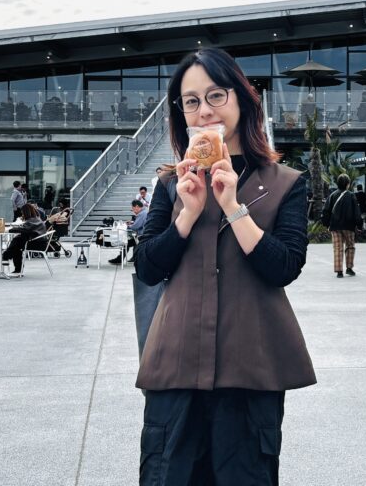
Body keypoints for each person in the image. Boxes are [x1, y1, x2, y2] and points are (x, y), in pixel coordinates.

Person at [134, 47, 315, 486]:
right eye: (191, 101)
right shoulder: (171, 183)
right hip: (176, 366)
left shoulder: (284, 182)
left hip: (252, 368)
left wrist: (234, 207)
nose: (204, 110)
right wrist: (188, 213)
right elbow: (147, 267)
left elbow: (285, 267)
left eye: (216, 95)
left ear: (242, 98)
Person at [322, 174, 361, 277]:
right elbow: (356, 212)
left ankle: (339, 271)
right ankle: (349, 268)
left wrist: (326, 224)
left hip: (335, 226)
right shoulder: (351, 195)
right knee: (350, 246)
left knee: (337, 247)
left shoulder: (332, 195)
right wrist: (359, 225)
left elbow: (326, 211)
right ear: (348, 184)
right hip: (349, 226)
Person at [2, 203, 46, 274]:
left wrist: (9, 230)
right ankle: (10, 261)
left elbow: (24, 229)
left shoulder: (31, 221)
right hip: (40, 242)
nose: (22, 214)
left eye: (22, 212)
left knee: (17, 241)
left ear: (26, 212)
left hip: (36, 244)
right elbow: (25, 229)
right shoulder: (36, 219)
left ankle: (5, 256)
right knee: (17, 242)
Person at [108, 199, 148, 265]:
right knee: (128, 242)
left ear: (137, 206)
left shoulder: (142, 214)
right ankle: (124, 259)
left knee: (126, 242)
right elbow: (139, 224)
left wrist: (126, 226)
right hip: (142, 235)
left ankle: (120, 259)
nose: (133, 211)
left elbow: (135, 227)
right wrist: (132, 222)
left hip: (141, 237)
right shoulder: (144, 212)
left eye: (133, 208)